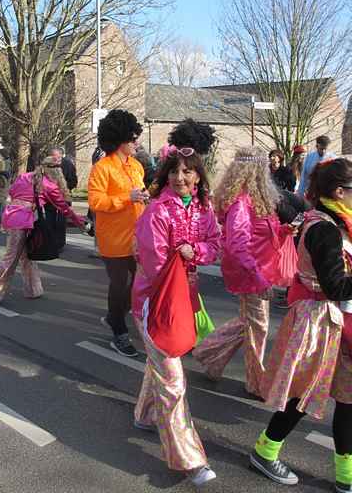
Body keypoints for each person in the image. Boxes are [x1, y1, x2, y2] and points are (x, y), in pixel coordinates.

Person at [250, 158, 352, 491]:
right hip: (322, 321)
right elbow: (336, 286)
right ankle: (265, 450)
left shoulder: (334, 221)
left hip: (335, 319)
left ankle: (346, 475)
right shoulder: (325, 228)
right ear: (340, 191)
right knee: (305, 393)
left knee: (348, 398)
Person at [132, 141, 220, 487]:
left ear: (198, 175)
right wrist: (179, 261)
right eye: (175, 171)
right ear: (166, 175)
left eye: (188, 171)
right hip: (155, 303)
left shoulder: (204, 210)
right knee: (174, 380)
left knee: (162, 367)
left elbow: (216, 244)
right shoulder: (158, 211)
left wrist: (194, 250)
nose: (181, 177)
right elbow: (152, 264)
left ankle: (144, 414)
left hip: (185, 300)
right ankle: (189, 460)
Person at [193, 147, 294, 397]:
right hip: (252, 274)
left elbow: (259, 235)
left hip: (259, 271)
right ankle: (256, 382)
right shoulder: (241, 203)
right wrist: (260, 281)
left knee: (249, 323)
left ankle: (211, 358)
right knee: (257, 327)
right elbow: (238, 247)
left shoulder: (253, 199)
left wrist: (283, 231)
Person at [0, 150, 85, 305]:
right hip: (25, 220)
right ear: (56, 171)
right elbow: (63, 207)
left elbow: (12, 191)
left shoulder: (25, 177)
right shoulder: (49, 185)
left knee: (25, 255)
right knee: (11, 257)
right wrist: (80, 221)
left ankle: (33, 289)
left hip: (12, 216)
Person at [88, 109, 148, 357]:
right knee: (120, 284)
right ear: (120, 140)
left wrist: (146, 197)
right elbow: (95, 202)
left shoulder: (136, 166)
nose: (137, 143)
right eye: (133, 139)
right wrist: (127, 198)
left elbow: (140, 193)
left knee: (136, 284)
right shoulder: (102, 168)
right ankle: (119, 331)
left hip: (137, 237)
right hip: (113, 239)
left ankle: (115, 316)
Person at [42, 156, 71, 251]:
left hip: (54, 201)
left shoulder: (44, 177)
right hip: (58, 201)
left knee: (54, 222)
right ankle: (57, 243)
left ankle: (54, 243)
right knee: (56, 222)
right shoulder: (58, 174)